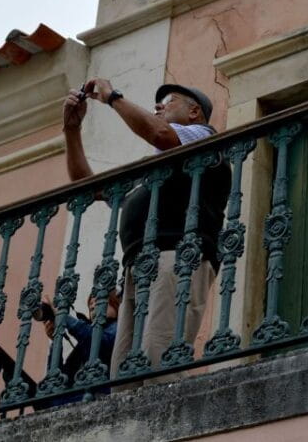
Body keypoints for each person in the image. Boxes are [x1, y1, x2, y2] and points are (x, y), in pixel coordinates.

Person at [62, 78, 230, 385]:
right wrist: (71, 130)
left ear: (194, 112)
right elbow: (90, 188)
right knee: (122, 372)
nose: (158, 107)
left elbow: (160, 134)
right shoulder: (153, 169)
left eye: (168, 102)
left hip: (177, 258)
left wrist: (113, 97)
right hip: (138, 268)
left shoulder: (204, 140)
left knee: (158, 357)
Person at [37, 291, 120, 407]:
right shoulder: (83, 342)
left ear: (115, 305)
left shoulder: (118, 327)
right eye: (90, 305)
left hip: (103, 396)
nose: (93, 306)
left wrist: (63, 316)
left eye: (98, 301)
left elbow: (101, 343)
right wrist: (56, 339)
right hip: (78, 399)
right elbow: (59, 379)